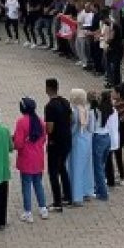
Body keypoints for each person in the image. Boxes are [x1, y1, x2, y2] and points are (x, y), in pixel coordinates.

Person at [13, 97, 49, 222]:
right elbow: (44, 139)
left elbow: (18, 144)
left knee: (26, 186)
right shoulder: (40, 121)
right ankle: (43, 208)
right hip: (38, 157)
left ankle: (28, 212)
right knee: (38, 184)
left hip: (26, 159)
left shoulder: (21, 122)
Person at [43, 78, 73, 211]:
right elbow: (71, 119)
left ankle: (57, 202)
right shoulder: (65, 102)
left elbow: (49, 128)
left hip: (55, 142)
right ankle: (68, 196)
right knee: (62, 168)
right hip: (67, 139)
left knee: (53, 172)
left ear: (48, 88)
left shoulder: (49, 106)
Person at [67, 89, 94, 204]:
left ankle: (77, 196)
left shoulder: (74, 112)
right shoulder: (88, 110)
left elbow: (72, 129)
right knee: (86, 167)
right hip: (87, 140)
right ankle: (87, 191)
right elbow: (91, 128)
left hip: (77, 141)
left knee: (76, 167)